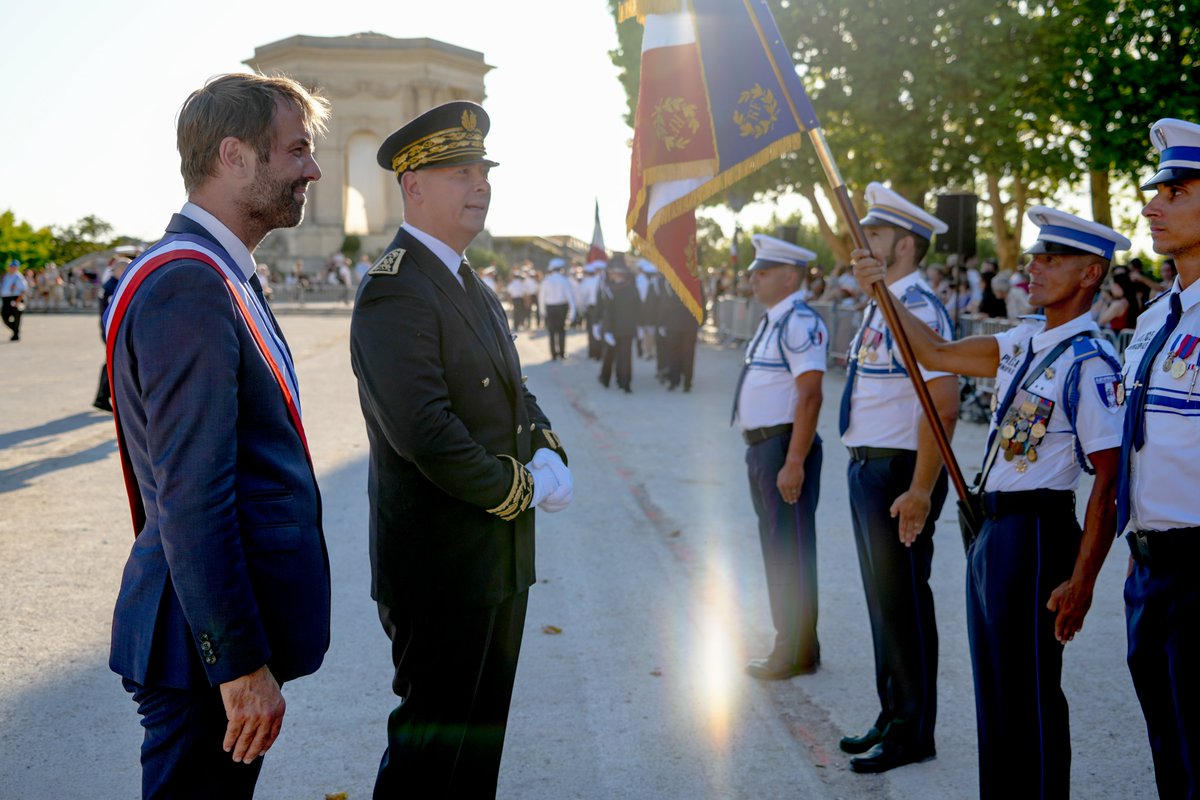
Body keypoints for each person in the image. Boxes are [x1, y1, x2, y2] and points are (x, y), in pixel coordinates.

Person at [103, 73, 332, 799]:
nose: (312, 170)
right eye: (296, 150)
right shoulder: (191, 283)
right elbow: (193, 493)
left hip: (206, 637)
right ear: (234, 156)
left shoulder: (217, 273)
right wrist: (236, 663)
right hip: (200, 652)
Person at [856, 205, 1128, 798]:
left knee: (1029, 691)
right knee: (996, 690)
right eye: (1035, 256)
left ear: (1090, 274)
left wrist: (1083, 581)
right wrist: (881, 290)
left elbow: (1110, 482)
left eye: (1051, 259)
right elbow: (934, 352)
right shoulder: (1022, 340)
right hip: (993, 529)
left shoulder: (1090, 361)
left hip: (1037, 532)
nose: (1034, 267)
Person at [350, 101, 573, 798]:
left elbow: (513, 390)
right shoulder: (396, 290)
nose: (480, 185)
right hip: (440, 567)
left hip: (497, 560)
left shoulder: (468, 281)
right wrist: (522, 488)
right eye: (460, 173)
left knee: (478, 752)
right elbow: (426, 431)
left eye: (483, 171)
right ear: (413, 185)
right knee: (429, 757)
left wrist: (548, 448)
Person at [838, 182, 959, 774]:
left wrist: (920, 490)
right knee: (883, 603)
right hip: (869, 466)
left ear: (905, 245)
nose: (863, 241)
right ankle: (892, 715)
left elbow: (943, 404)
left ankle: (913, 732)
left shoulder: (920, 308)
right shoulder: (881, 302)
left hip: (900, 471)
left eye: (876, 233)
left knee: (904, 603)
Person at [1119, 117, 1200, 798]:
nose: (1152, 207)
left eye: (1175, 192)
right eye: (1156, 192)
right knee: (1167, 750)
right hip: (1149, 567)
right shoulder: (1153, 319)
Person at [733, 235, 827, 681]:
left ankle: (791, 651)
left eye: (763, 272)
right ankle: (800, 646)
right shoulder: (775, 319)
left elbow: (810, 395)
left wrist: (794, 461)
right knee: (779, 547)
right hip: (763, 448)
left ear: (790, 277)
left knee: (788, 551)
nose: (753, 278)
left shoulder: (798, 321)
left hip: (782, 447)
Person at [598, 255, 641, 393]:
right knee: (623, 356)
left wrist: (607, 330)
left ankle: (613, 380)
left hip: (615, 328)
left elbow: (607, 312)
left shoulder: (610, 289)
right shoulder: (632, 288)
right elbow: (639, 309)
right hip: (625, 328)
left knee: (614, 355)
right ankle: (622, 382)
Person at [93, 256, 130, 412]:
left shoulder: (110, 284)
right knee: (113, 363)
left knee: (112, 362)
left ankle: (102, 397)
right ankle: (102, 397)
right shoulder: (113, 287)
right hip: (111, 330)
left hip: (109, 329)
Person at [538, 257, 575, 360]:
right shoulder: (565, 280)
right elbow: (570, 297)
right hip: (562, 308)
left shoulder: (546, 281)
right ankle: (562, 353)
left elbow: (542, 298)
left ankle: (553, 354)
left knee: (551, 332)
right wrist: (573, 313)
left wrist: (542, 311)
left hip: (550, 308)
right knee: (561, 331)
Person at [1, 259, 29, 341]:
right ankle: (16, 331)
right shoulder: (6, 276)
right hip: (6, 299)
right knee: (4, 317)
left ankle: (16, 334)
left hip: (16, 298)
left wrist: (17, 301)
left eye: (14, 267)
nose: (12, 268)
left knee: (16, 318)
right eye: (11, 266)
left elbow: (24, 290)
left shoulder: (19, 277)